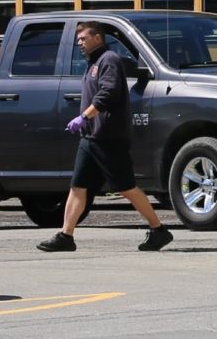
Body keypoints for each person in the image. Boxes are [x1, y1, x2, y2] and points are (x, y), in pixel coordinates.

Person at [38, 21, 173, 253]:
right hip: (90, 138)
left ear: (98, 38)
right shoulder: (93, 63)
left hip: (108, 137)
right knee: (77, 186)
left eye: (84, 38)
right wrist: (86, 124)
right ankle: (65, 236)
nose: (79, 43)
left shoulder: (109, 60)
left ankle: (159, 229)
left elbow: (108, 94)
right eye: (78, 39)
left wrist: (85, 116)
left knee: (126, 187)